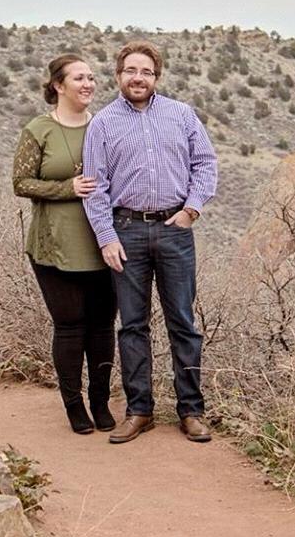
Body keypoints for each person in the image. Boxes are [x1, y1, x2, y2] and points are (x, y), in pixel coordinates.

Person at [82, 40, 218, 444]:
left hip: (175, 228)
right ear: (119, 75)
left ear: (155, 77)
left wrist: (191, 209)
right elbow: (95, 186)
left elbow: (205, 163)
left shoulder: (182, 115)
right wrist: (106, 237)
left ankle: (191, 410)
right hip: (126, 232)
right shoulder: (102, 124)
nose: (137, 78)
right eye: (130, 71)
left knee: (183, 322)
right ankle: (139, 410)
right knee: (133, 325)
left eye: (145, 72)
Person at [12, 52, 118, 434]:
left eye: (91, 77)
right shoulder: (38, 130)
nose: (88, 84)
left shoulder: (106, 126)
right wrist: (67, 188)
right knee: (70, 326)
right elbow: (21, 183)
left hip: (104, 242)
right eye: (79, 78)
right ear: (58, 85)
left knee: (103, 327)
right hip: (53, 246)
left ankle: (101, 402)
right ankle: (74, 405)